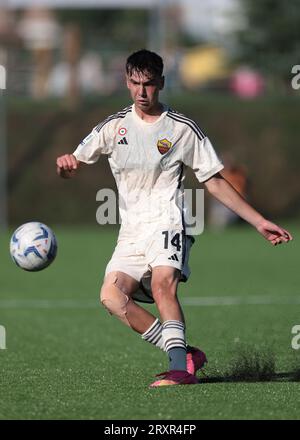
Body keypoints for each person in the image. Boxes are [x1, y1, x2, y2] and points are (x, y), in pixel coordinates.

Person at [56, 49, 292, 387]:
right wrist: (66, 167)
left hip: (169, 220)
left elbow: (214, 181)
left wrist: (257, 221)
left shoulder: (182, 128)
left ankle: (180, 370)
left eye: (149, 84)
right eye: (135, 83)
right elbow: (74, 164)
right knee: (111, 297)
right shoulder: (113, 127)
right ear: (126, 82)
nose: (141, 92)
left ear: (161, 83)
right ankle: (185, 353)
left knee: (164, 284)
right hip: (131, 231)